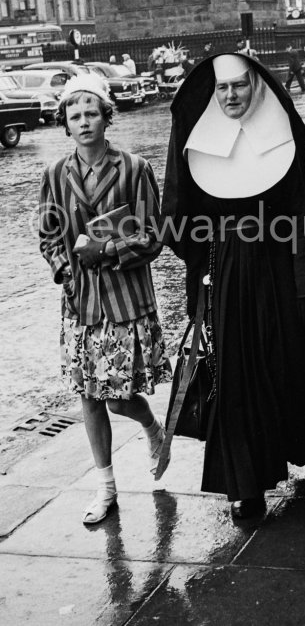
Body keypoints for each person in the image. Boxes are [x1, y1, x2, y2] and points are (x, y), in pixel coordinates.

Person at [161, 53, 305, 519]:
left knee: (286, 369)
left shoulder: (289, 142)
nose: (231, 95)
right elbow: (179, 219)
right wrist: (204, 273)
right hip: (228, 273)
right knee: (234, 378)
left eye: (239, 85)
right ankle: (246, 485)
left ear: (257, 88)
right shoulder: (197, 145)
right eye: (223, 89)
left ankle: (287, 456)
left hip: (280, 272)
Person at [38, 74, 172, 525]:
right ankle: (106, 487)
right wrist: (62, 267)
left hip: (123, 299)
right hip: (80, 303)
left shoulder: (134, 168)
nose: (83, 122)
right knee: (89, 399)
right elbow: (48, 234)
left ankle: (153, 428)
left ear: (106, 116)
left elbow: (154, 235)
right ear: (65, 123)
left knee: (117, 399)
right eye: (74, 116)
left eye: (91, 112)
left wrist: (110, 250)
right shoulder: (56, 173)